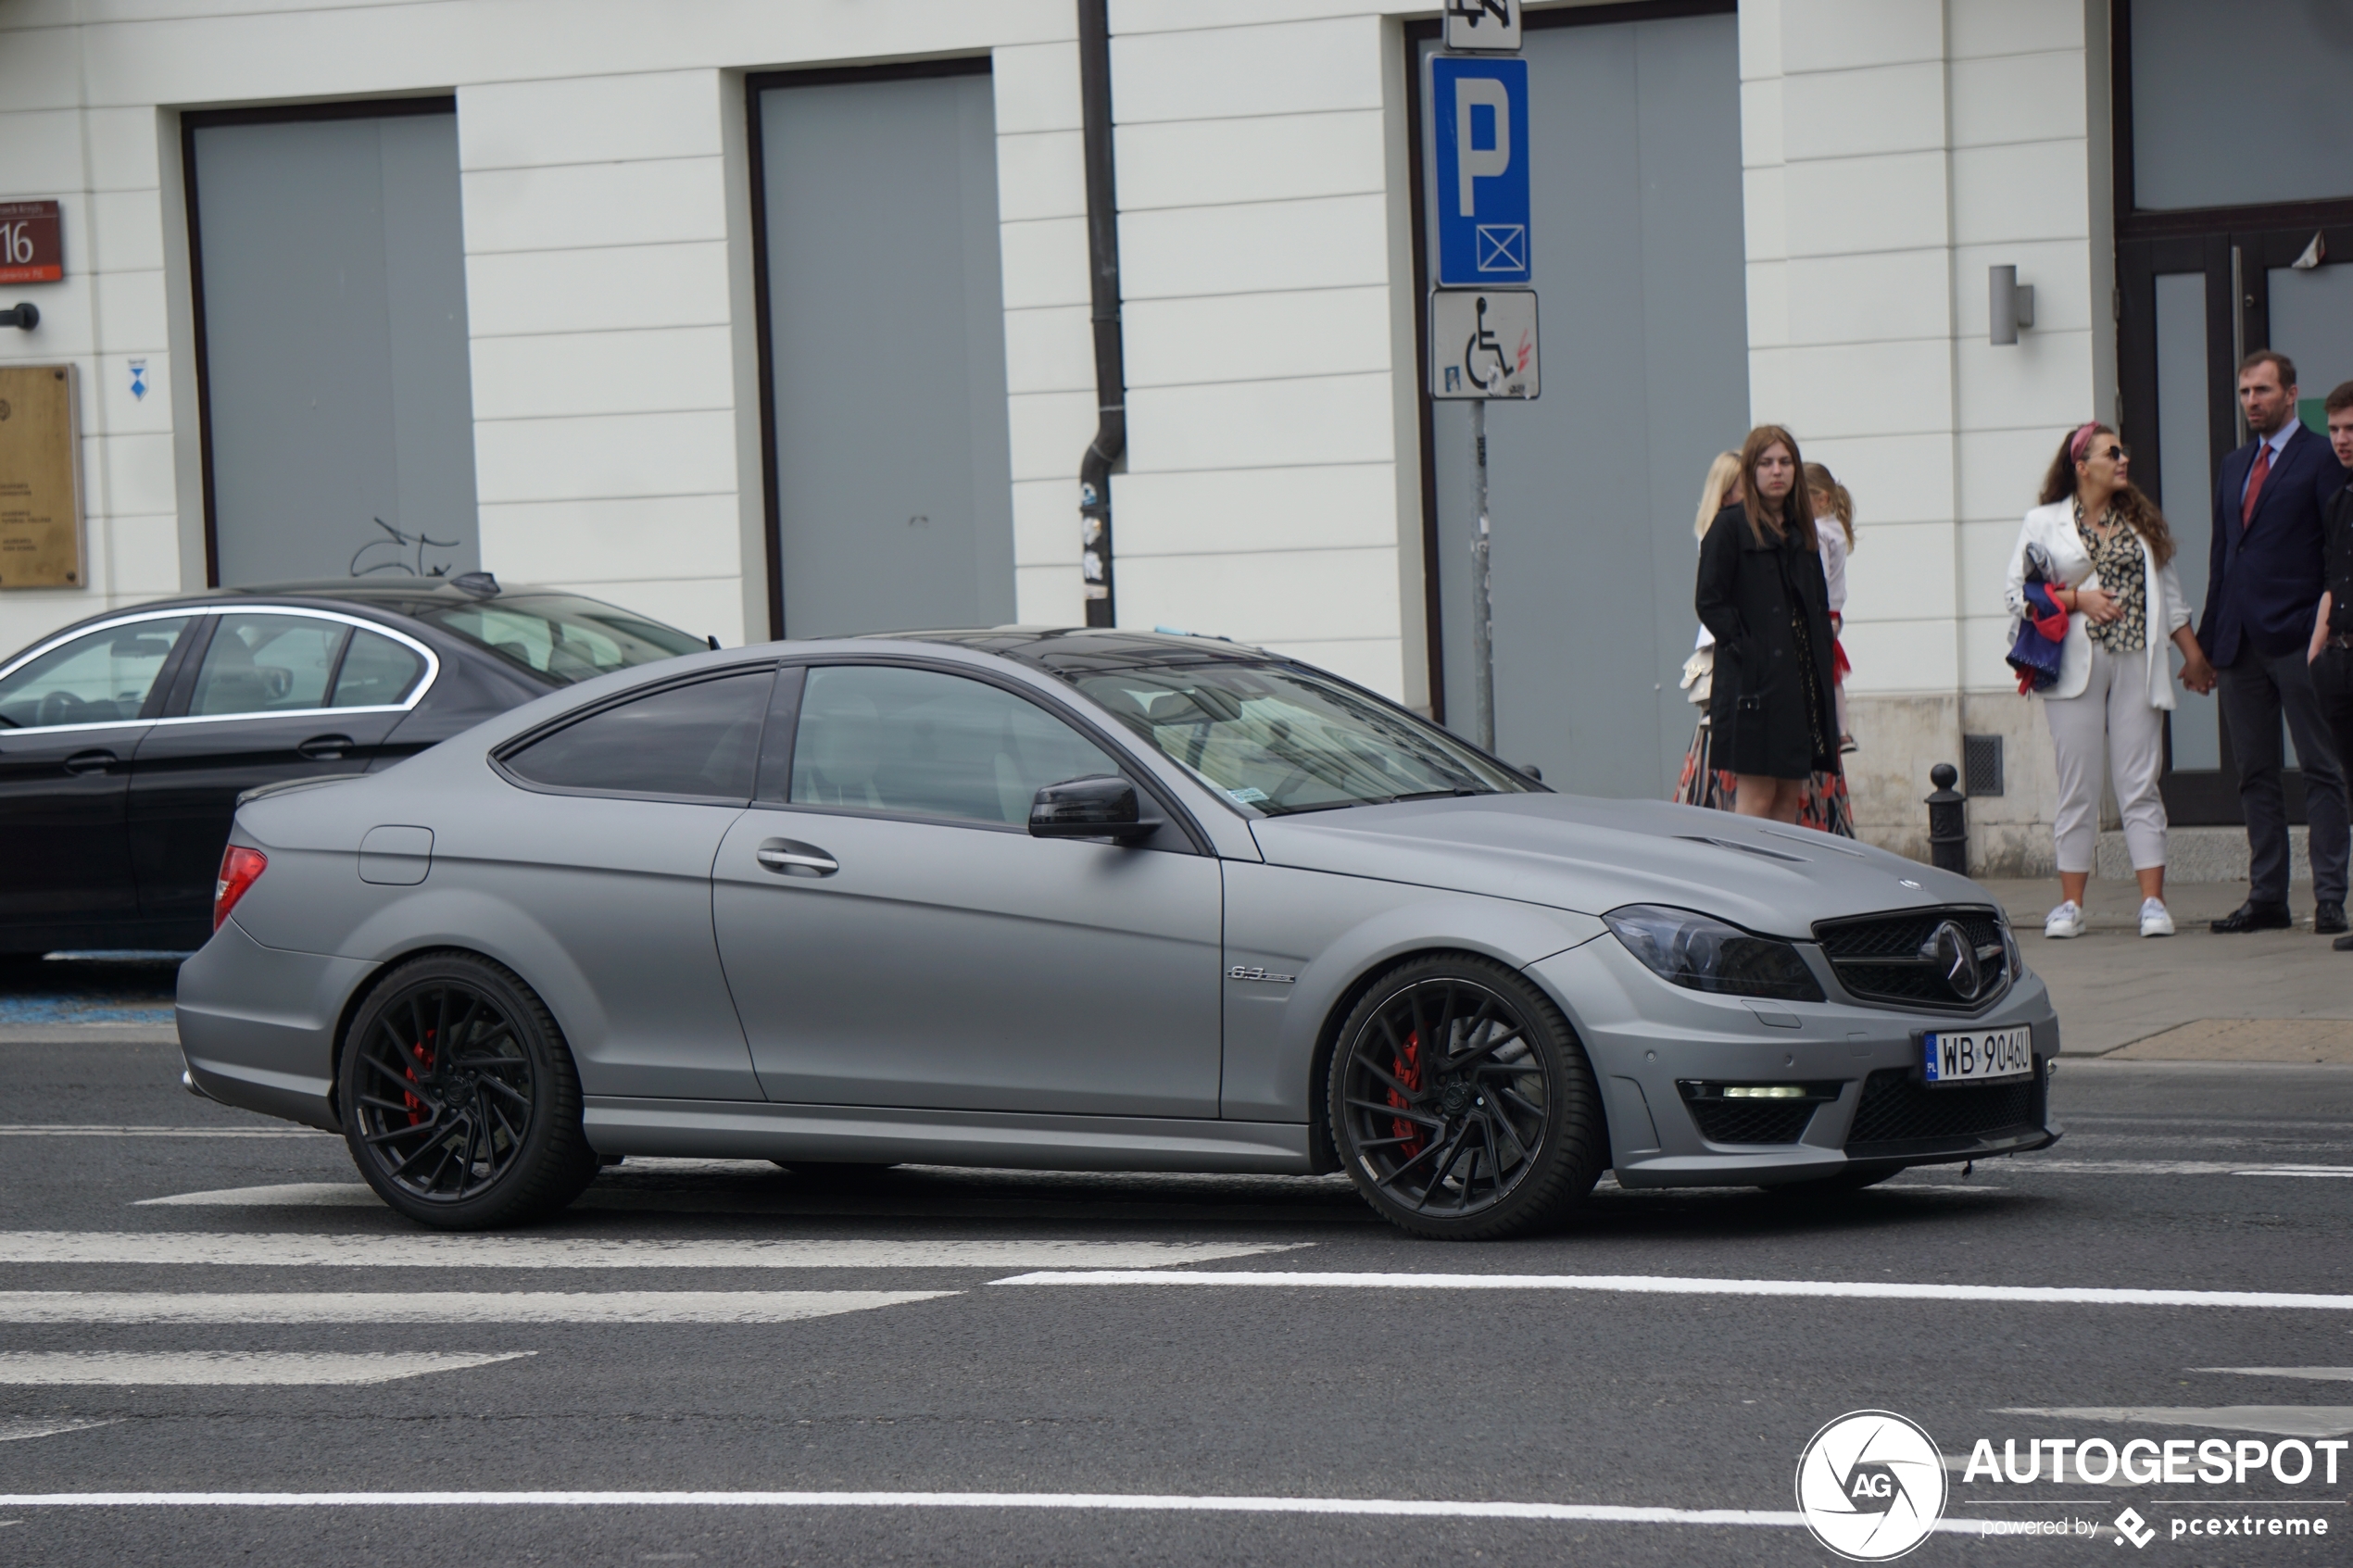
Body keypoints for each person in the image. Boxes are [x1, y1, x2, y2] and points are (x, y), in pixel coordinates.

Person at [2004, 423, 2214, 938]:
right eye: (2112, 452)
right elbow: (2016, 596)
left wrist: (2195, 660)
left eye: (2124, 450)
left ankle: (2152, 902)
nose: (2124, 459)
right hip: (2073, 665)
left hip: (2136, 661)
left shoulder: (2140, 524)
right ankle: (2070, 905)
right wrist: (2078, 600)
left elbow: (2173, 600)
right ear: (2082, 466)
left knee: (2139, 782)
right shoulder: (2043, 521)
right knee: (2078, 784)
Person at [2197, 350, 2352, 934]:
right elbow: (2224, 555)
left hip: (2299, 637)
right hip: (2240, 643)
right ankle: (2268, 896)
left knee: (2321, 767)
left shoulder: (2321, 457)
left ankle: (2330, 896)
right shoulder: (2235, 464)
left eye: (2262, 391)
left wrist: (2329, 629)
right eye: (2244, 392)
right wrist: (2211, 642)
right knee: (2254, 772)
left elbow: (2334, 549)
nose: (2252, 402)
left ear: (2291, 394)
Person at [1695, 426, 1842, 823]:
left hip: (1797, 685)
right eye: (1766, 463)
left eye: (1785, 462)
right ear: (1751, 470)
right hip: (1753, 686)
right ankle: (1748, 883)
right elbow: (1709, 601)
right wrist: (1748, 649)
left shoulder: (1801, 530)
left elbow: (1817, 603)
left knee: (1786, 800)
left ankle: (1779, 885)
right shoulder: (1729, 527)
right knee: (1757, 801)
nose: (1776, 471)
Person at [2305, 382, 2353, 951]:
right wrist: (2316, 648)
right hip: (2338, 657)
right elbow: (2331, 578)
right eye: (2335, 429)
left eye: (2350, 430)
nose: (2341, 440)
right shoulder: (2339, 497)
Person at [1805, 461, 1856, 751]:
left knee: (1825, 673)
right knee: (1833, 674)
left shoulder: (1817, 531)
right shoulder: (1835, 527)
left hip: (1822, 612)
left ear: (1821, 499)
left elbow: (1818, 574)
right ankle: (1842, 731)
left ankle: (1833, 730)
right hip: (1834, 612)